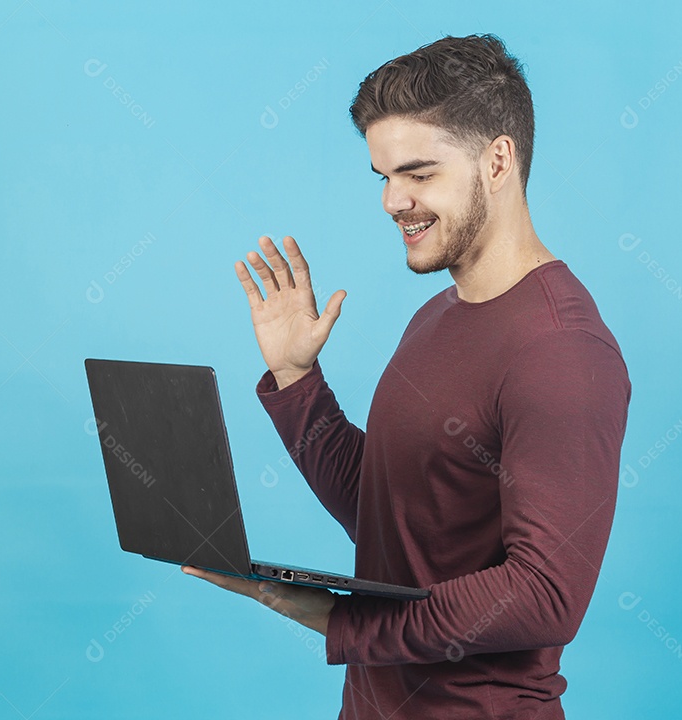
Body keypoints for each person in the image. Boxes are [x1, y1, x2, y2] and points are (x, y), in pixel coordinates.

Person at [183, 33, 632, 719]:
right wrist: (296, 377)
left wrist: (341, 621)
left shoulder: (562, 351)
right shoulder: (438, 314)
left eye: (419, 175)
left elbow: (546, 595)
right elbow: (392, 513)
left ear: (498, 160)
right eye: (384, 177)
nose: (393, 201)